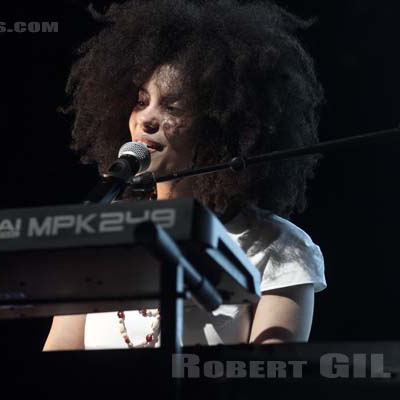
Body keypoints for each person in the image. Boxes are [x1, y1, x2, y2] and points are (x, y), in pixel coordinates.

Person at [43, 0, 327, 351]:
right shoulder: (97, 233)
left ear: (219, 127)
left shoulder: (278, 248)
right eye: (141, 101)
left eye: (172, 107)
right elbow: (55, 365)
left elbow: (264, 381)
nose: (146, 119)